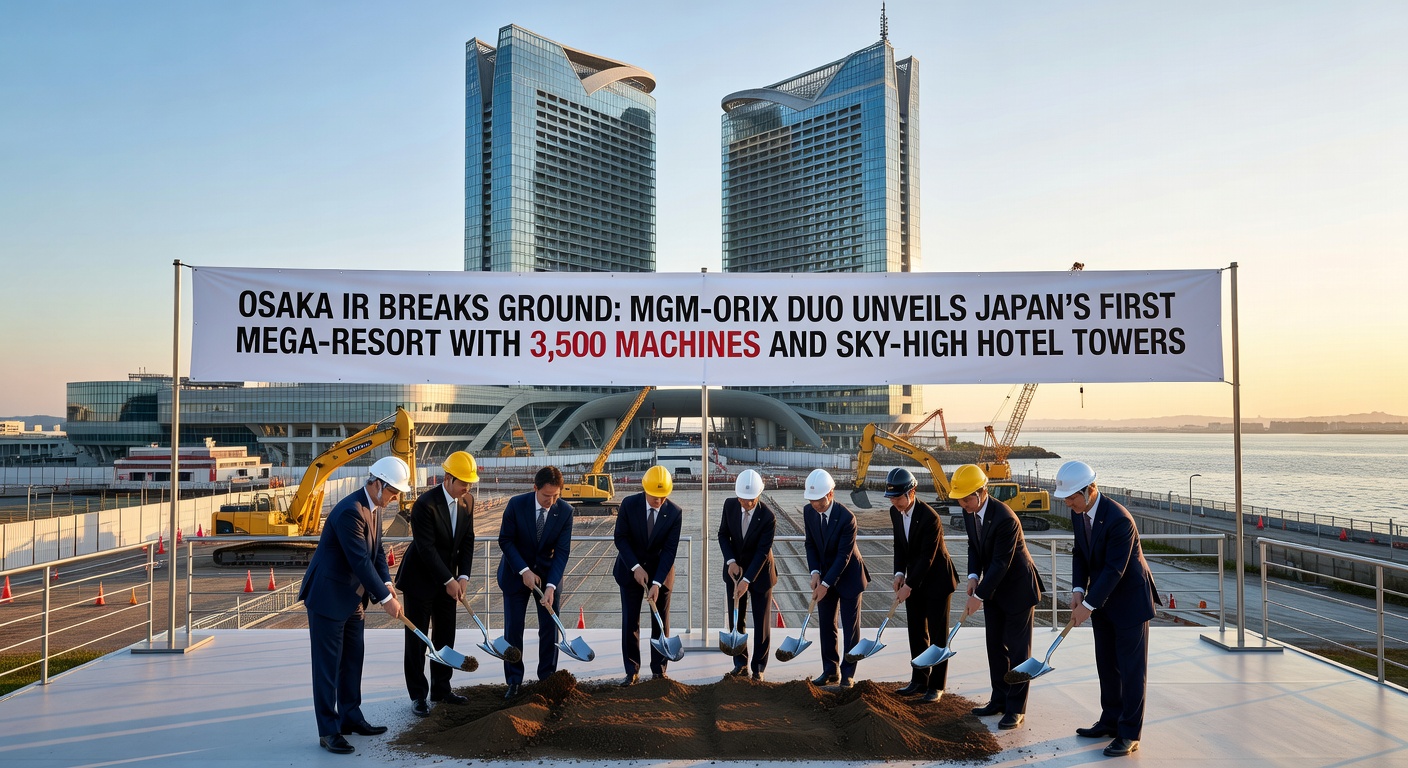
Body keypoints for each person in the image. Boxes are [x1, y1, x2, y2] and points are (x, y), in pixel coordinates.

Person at [298, 456, 408, 755]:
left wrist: (387, 584)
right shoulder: (350, 510)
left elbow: (377, 552)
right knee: (327, 668)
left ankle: (351, 716)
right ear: (378, 484)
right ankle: (329, 730)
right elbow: (359, 560)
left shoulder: (374, 509)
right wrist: (385, 599)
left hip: (353, 599)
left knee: (352, 661)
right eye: (393, 492)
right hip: (328, 598)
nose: (394, 499)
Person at [1057, 460, 1161, 758]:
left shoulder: (1119, 519)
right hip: (1101, 600)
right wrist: (1078, 591)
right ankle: (1110, 719)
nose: (1067, 504)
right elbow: (1080, 552)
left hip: (1129, 602)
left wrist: (1088, 605)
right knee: (1107, 664)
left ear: (1089, 490)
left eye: (1072, 498)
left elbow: (1116, 569)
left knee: (1131, 671)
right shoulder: (1078, 513)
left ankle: (1129, 733)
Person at [954, 464, 1044, 730]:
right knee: (994, 646)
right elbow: (974, 546)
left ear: (982, 492)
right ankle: (999, 699)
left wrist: (979, 595)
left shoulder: (1005, 518)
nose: (963, 504)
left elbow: (1001, 563)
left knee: (1018, 651)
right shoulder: (969, 512)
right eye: (960, 499)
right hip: (994, 588)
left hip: (1017, 589)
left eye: (967, 499)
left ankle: (1016, 708)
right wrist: (973, 576)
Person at [395, 451, 478, 717]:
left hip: (449, 581)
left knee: (445, 636)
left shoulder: (468, 502)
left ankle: (442, 689)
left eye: (470, 483)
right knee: (417, 640)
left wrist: (463, 576)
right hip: (420, 581)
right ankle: (418, 695)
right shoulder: (425, 504)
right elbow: (426, 549)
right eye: (463, 483)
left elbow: (468, 540)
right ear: (448, 478)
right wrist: (449, 580)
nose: (467, 488)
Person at [497, 465, 574, 699]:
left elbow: (562, 552)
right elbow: (505, 540)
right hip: (515, 573)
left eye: (556, 496)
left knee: (549, 629)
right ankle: (514, 680)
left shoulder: (566, 511)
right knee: (513, 629)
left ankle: (547, 678)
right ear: (535, 488)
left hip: (548, 575)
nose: (551, 501)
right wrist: (524, 570)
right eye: (546, 496)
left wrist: (551, 586)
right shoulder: (516, 504)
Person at [885, 467, 959, 702]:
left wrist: (909, 586)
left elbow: (928, 557)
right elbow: (899, 545)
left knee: (938, 636)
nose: (894, 502)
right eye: (891, 497)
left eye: (898, 497)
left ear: (912, 492)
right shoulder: (895, 512)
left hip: (937, 581)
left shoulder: (930, 517)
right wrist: (899, 574)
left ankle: (936, 686)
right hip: (914, 579)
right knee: (916, 632)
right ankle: (919, 680)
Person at [613, 465, 682, 686]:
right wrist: (635, 567)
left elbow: (669, 551)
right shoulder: (629, 504)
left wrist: (657, 582)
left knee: (660, 622)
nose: (659, 501)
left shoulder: (675, 513)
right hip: (630, 570)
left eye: (663, 496)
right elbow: (621, 538)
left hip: (661, 574)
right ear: (645, 490)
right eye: (654, 496)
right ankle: (631, 670)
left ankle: (659, 671)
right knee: (630, 622)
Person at [802, 468, 869, 687]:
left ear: (831, 494)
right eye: (811, 500)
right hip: (824, 573)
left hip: (849, 577)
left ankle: (848, 673)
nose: (815, 505)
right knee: (826, 624)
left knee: (850, 628)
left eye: (819, 500)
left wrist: (825, 584)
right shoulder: (808, 511)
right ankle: (830, 670)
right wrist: (814, 573)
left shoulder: (847, 518)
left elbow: (843, 557)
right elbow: (810, 544)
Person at [717, 468, 777, 680]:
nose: (747, 503)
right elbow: (723, 535)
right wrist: (731, 561)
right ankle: (740, 664)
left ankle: (758, 667)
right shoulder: (729, 506)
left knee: (761, 622)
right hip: (735, 571)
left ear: (759, 495)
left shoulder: (768, 517)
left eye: (751, 499)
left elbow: (762, 553)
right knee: (737, 619)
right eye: (743, 499)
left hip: (760, 574)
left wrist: (747, 580)